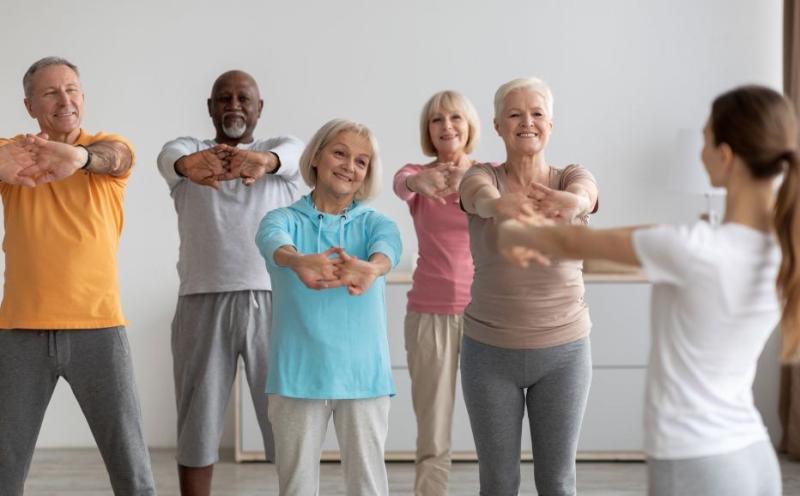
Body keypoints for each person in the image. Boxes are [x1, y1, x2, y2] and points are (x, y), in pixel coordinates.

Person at [497, 84, 797, 496]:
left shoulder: (690, 248)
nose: (701, 151)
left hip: (696, 459)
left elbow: (569, 243)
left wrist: (512, 231)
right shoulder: (783, 250)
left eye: (706, 140)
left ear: (725, 158)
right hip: (753, 453)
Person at [0, 56, 156, 495]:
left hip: (99, 328)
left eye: (71, 89)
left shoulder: (106, 150)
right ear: (30, 105)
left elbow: (117, 156)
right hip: (20, 331)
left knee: (132, 470)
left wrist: (79, 157)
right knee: (4, 470)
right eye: (49, 92)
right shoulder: (14, 153)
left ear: (83, 97)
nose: (63, 99)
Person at [157, 70, 303, 496]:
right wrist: (189, 167)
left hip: (274, 303)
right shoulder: (189, 156)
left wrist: (264, 162)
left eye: (243, 98)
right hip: (201, 301)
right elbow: (168, 157)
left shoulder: (279, 156)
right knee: (197, 422)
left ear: (260, 108)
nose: (234, 105)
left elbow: (295, 153)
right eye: (224, 98)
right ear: (210, 107)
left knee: (287, 419)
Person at [458, 76, 599, 495]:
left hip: (564, 352)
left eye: (537, 113)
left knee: (557, 481)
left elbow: (586, 192)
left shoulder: (569, 177)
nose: (527, 122)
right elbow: (477, 196)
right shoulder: (482, 177)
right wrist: (499, 205)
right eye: (515, 114)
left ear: (550, 124)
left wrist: (573, 203)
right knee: (498, 481)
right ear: (498, 126)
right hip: (489, 353)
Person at [256, 119, 401, 496]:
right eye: (340, 153)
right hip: (297, 376)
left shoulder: (375, 224)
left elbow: (389, 249)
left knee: (368, 487)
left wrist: (373, 268)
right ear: (317, 156)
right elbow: (272, 240)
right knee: (296, 488)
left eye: (361, 161)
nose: (349, 166)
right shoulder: (283, 218)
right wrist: (297, 260)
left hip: (363, 378)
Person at [392, 90, 480, 496]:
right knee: (433, 432)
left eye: (456, 118)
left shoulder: (489, 174)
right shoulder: (416, 174)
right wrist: (418, 180)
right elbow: (400, 183)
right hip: (429, 314)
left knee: (496, 430)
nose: (447, 126)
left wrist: (472, 183)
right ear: (428, 130)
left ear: (470, 126)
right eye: (437, 120)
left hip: (488, 315)